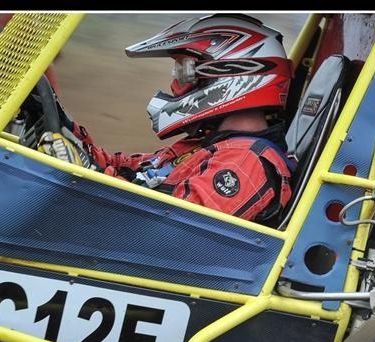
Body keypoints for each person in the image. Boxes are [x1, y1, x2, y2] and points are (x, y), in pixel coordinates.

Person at [39, 14, 295, 224]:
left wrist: (90, 174)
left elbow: (172, 227)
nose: (176, 86)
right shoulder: (205, 146)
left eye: (185, 73)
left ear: (233, 76)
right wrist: (71, 136)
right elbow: (134, 168)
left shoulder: (245, 162)